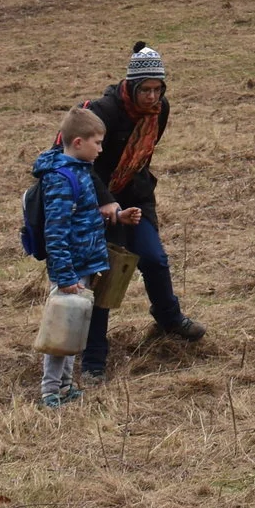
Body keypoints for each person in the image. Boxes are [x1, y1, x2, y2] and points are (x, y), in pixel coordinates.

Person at [80, 45, 204, 383]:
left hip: (135, 197)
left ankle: (169, 320)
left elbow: (143, 155)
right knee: (105, 273)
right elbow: (77, 162)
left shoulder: (160, 110)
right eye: (145, 89)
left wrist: (133, 194)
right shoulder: (102, 112)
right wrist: (105, 201)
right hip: (96, 201)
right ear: (131, 86)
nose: (152, 97)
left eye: (157, 89)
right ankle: (93, 360)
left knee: (154, 259)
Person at [33, 106, 111, 408]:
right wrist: (65, 275)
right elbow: (56, 231)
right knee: (61, 329)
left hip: (83, 264)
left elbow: (83, 218)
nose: (101, 149)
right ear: (78, 142)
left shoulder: (80, 171)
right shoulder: (61, 179)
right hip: (70, 268)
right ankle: (51, 391)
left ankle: (66, 386)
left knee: (74, 326)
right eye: (97, 143)